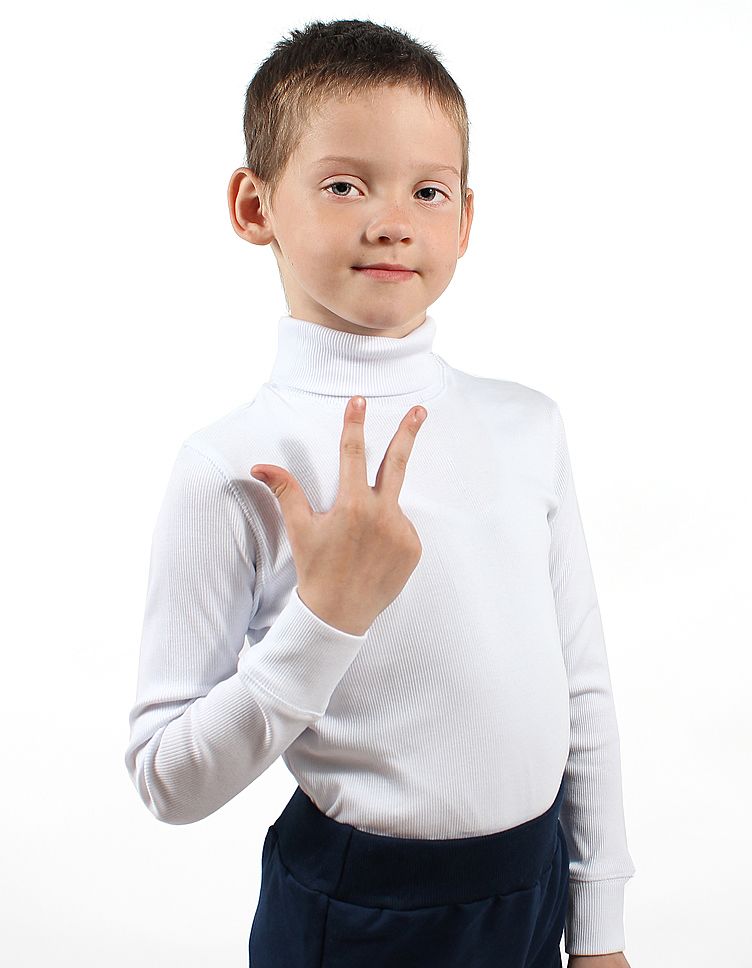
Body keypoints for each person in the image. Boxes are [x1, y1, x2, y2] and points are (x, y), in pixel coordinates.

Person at [124, 17, 636, 968]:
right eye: (344, 184)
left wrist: (598, 924)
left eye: (427, 190)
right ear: (254, 206)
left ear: (466, 221)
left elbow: (583, 690)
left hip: (532, 887)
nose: (393, 220)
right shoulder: (229, 465)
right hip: (358, 911)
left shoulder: (529, 425)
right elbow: (166, 779)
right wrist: (326, 619)